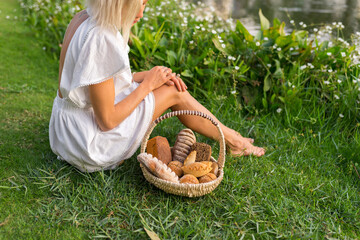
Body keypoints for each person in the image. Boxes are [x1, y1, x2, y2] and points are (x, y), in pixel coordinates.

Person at [49, 0, 265, 172]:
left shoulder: (83, 17)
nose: (141, 14)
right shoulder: (101, 37)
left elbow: (91, 83)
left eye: (145, 4)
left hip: (66, 133)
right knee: (174, 92)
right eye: (137, 5)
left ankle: (230, 137)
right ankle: (234, 141)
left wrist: (152, 77)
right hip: (90, 145)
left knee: (166, 86)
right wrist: (148, 85)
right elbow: (107, 121)